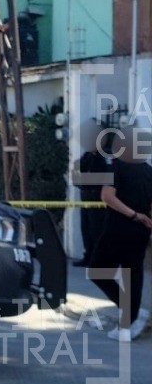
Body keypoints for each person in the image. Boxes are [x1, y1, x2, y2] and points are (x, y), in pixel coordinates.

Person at [87, 129, 152, 342]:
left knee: (98, 270)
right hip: (141, 230)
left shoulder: (117, 166)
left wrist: (134, 215)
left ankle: (130, 317)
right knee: (133, 275)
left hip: (119, 228)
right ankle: (131, 319)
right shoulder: (148, 171)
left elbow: (107, 196)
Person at [73, 132, 114, 266]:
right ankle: (89, 256)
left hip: (98, 197)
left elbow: (108, 177)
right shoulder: (89, 154)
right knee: (86, 228)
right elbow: (77, 171)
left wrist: (86, 180)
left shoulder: (108, 154)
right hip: (86, 196)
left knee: (98, 230)